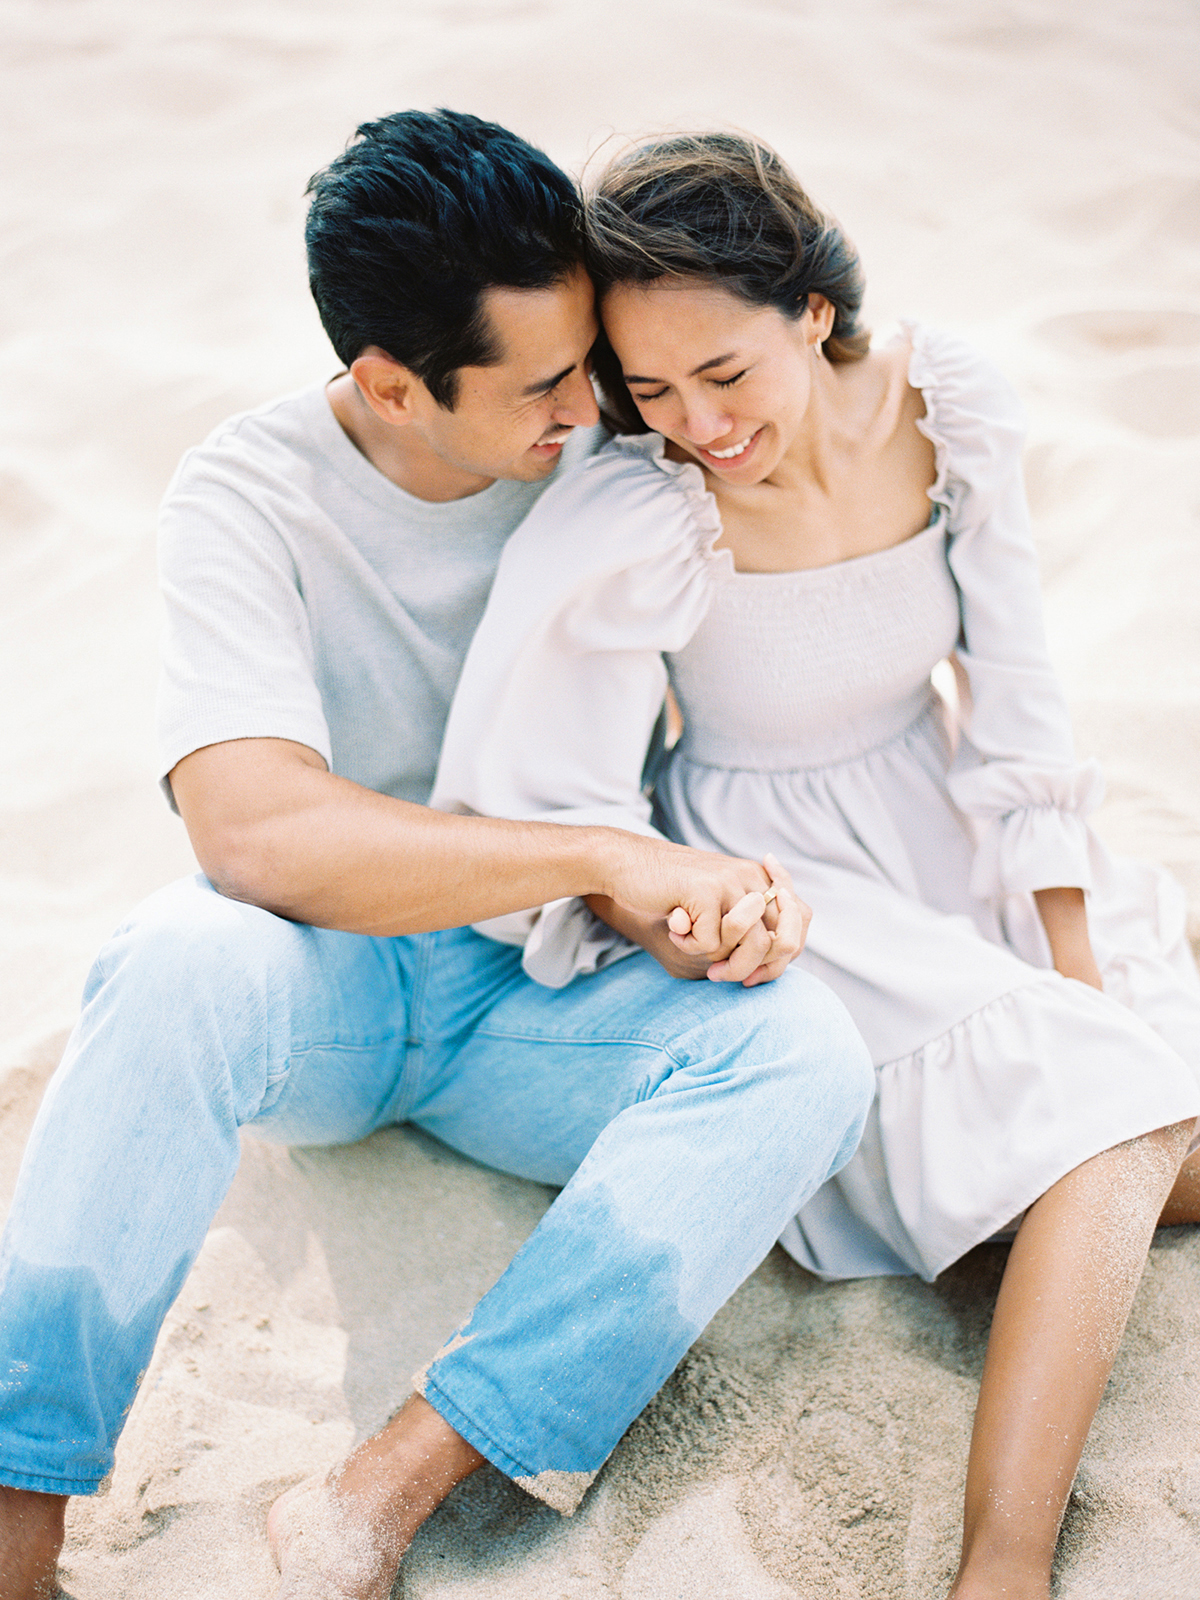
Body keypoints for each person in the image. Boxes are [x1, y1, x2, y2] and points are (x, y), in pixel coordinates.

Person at [0, 112, 878, 1600]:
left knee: (804, 1053)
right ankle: (19, 1531)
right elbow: (252, 827)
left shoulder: (618, 446)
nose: (592, 408)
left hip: (536, 1001)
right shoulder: (246, 493)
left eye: (589, 365)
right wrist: (600, 853)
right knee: (168, 960)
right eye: (543, 385)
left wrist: (680, 899)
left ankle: (380, 1490)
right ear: (393, 386)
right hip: (322, 996)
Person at [430, 131, 1200, 1600]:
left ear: (816, 311)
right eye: (647, 389)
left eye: (725, 373)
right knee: (1115, 1140)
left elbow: (1020, 707)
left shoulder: (947, 406)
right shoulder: (642, 507)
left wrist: (1078, 971)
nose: (696, 422)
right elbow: (557, 798)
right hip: (784, 879)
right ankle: (1006, 1566)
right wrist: (669, 924)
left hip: (957, 820)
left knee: (1153, 1115)